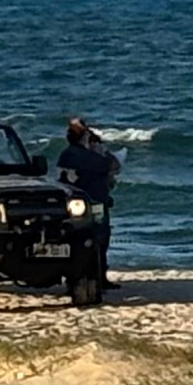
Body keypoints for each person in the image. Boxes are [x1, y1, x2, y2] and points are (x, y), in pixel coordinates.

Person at [56, 119, 121, 287]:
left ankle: (94, 275)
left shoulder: (67, 154)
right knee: (99, 239)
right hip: (92, 203)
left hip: (77, 203)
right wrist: (101, 150)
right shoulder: (87, 157)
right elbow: (114, 165)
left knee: (87, 239)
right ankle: (98, 276)